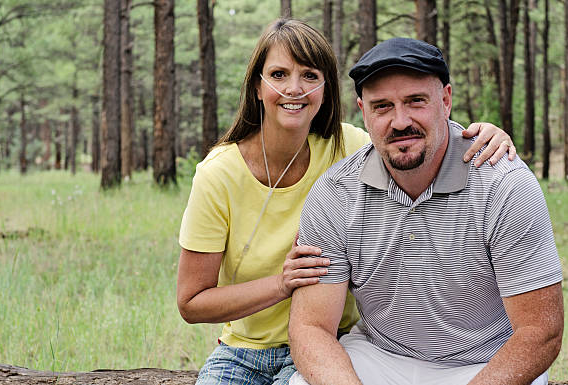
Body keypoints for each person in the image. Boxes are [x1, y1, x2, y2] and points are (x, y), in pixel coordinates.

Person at [177, 20, 515, 385]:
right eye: (278, 74)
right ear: (258, 87)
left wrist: (484, 134)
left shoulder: (350, 148)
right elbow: (191, 302)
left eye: (309, 75)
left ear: (325, 88)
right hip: (243, 350)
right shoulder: (218, 173)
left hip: (328, 341)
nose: (294, 88)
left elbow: (413, 134)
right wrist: (282, 283)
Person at [288, 37, 564, 385]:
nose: (400, 121)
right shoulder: (335, 194)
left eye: (415, 101)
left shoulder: (504, 186)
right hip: (380, 355)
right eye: (382, 106)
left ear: (445, 100)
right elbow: (310, 327)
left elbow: (541, 331)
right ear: (363, 112)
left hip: (487, 361)